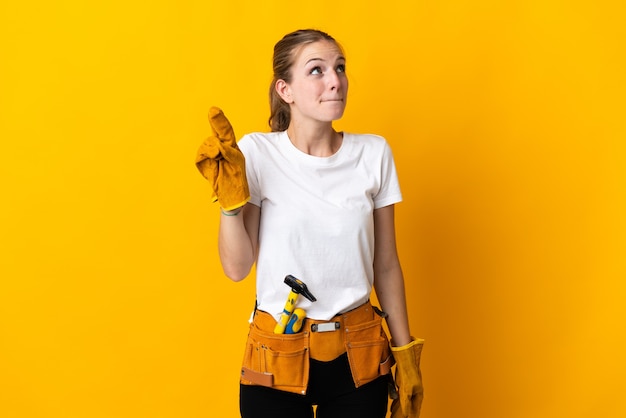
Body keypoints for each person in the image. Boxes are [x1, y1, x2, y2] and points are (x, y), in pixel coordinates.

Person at [197, 29, 423, 418]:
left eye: (340, 68)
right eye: (316, 70)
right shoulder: (256, 152)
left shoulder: (373, 153)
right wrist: (231, 205)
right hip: (275, 356)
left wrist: (406, 355)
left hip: (359, 354)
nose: (335, 80)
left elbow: (385, 265)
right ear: (285, 89)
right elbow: (236, 268)